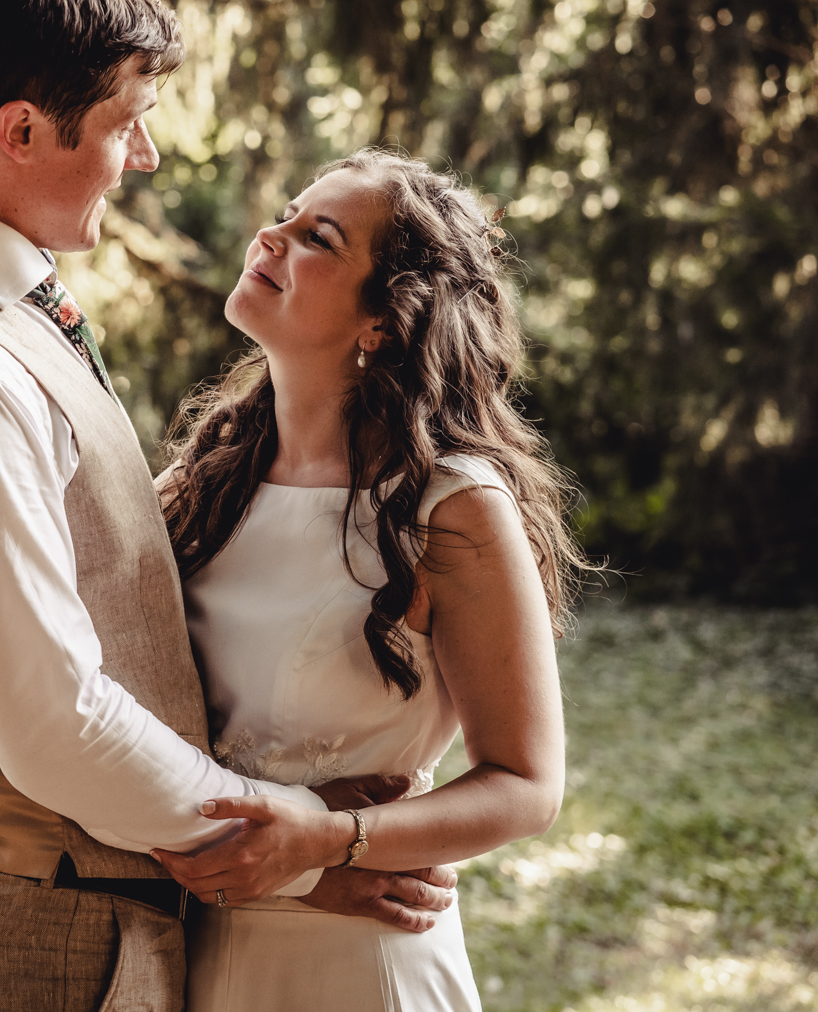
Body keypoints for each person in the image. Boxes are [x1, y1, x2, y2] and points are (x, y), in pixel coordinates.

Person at [0, 0, 456, 1012]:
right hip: (25, 934)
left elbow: (21, 621)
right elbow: (52, 715)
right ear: (21, 130)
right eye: (125, 122)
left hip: (73, 904)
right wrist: (299, 849)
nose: (145, 156)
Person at [145, 148, 588, 1009]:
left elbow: (527, 784)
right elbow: (73, 670)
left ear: (382, 320)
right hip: (193, 950)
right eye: (285, 213)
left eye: (318, 236)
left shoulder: (450, 506)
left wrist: (331, 841)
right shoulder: (199, 483)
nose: (270, 236)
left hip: (359, 965)